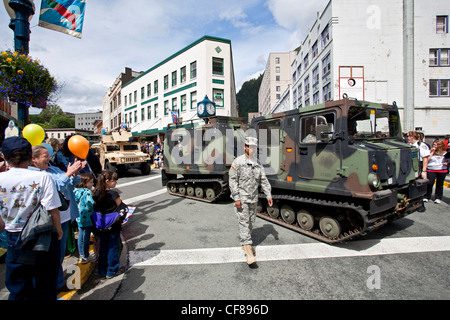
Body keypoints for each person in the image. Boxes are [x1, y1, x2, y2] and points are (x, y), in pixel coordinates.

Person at [0, 137, 63, 300]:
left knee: (19, 287)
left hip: (14, 236)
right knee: (46, 284)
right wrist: (59, 231)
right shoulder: (43, 177)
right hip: (43, 236)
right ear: (29, 156)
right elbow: (53, 210)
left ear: (4, 156)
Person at [30, 144, 85, 290]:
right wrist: (68, 174)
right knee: (46, 257)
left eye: (48, 155)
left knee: (58, 255)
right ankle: (46, 286)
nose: (49, 158)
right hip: (48, 221)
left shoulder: (52, 169)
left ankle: (58, 283)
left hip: (64, 217)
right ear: (33, 159)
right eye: (45, 156)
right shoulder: (33, 174)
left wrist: (73, 173)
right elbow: (56, 187)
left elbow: (72, 183)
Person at [229, 136, 273, 265]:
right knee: (244, 222)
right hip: (242, 199)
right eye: (249, 146)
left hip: (254, 198)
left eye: (253, 147)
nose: (251, 149)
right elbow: (232, 180)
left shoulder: (258, 163)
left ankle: (245, 243)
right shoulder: (238, 162)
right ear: (245, 147)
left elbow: (263, 180)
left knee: (251, 222)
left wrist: (268, 195)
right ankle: (248, 251)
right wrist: (236, 198)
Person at [93, 170, 124, 278]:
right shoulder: (114, 194)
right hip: (113, 225)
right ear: (107, 181)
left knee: (102, 247)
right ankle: (112, 270)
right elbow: (121, 207)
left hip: (101, 224)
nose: (115, 183)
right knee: (112, 247)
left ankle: (101, 270)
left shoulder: (95, 193)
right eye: (114, 180)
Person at [74, 173, 96, 264]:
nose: (92, 184)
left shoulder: (76, 191)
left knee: (80, 235)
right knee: (86, 237)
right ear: (84, 183)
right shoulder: (87, 192)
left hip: (78, 216)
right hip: (86, 217)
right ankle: (85, 256)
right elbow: (90, 203)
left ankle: (81, 254)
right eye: (90, 182)